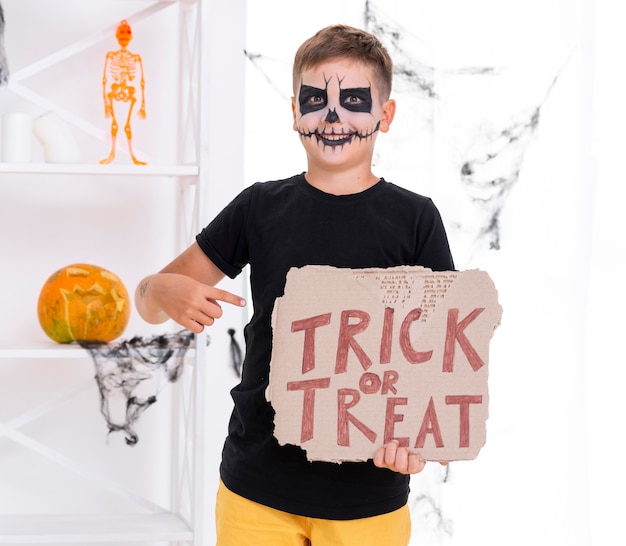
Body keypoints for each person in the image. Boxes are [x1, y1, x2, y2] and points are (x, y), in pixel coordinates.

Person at [135, 23, 454, 546]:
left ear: (385, 115)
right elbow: (148, 298)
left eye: (353, 100)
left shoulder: (416, 219)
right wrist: (161, 290)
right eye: (315, 100)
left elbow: (444, 355)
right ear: (293, 112)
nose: (333, 118)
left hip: (367, 500)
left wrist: (419, 433)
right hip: (256, 490)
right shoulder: (259, 208)